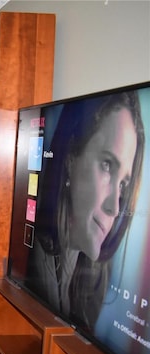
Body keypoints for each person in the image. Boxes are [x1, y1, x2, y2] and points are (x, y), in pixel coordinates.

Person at [26, 90, 145, 331]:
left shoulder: (97, 276)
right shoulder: (27, 256)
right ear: (70, 158)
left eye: (123, 184)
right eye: (107, 165)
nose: (114, 207)